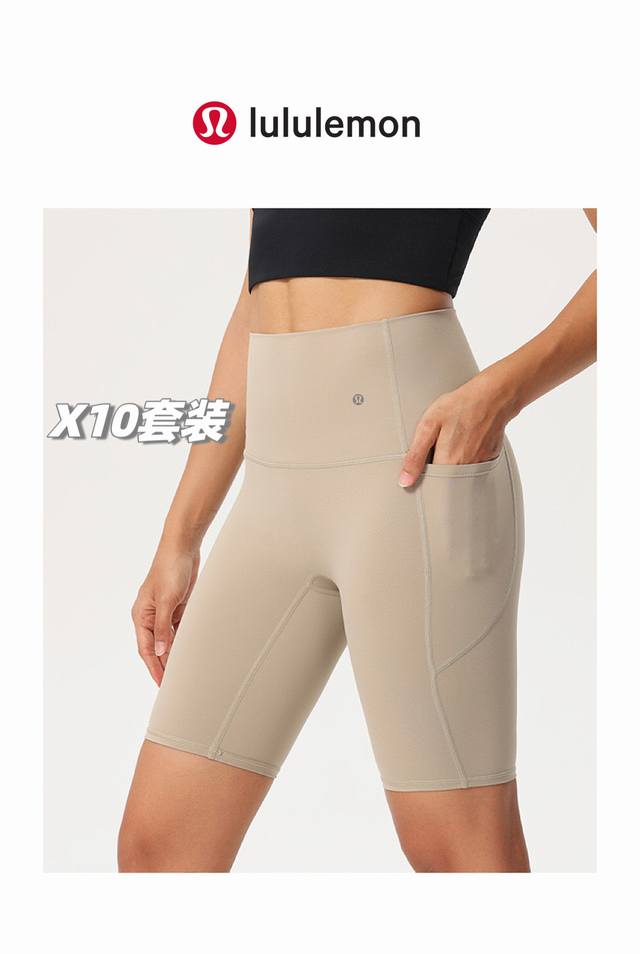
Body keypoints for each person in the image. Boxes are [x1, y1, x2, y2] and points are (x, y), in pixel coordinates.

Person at [118, 208, 597, 872]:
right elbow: (256, 296)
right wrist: (180, 537)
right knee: (159, 847)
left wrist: (501, 392)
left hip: (414, 467)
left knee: (459, 852)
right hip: (273, 492)